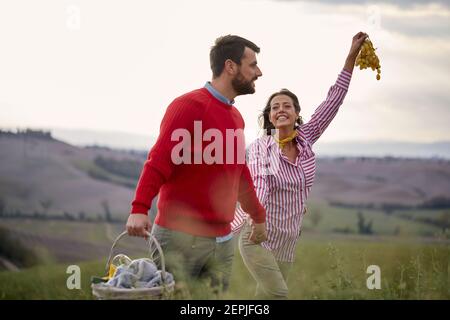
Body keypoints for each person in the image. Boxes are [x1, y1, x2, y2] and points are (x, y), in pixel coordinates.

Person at [126, 35, 268, 296]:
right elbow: (159, 160)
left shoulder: (236, 117)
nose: (259, 72)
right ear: (230, 66)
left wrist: (258, 216)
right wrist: (139, 208)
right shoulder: (188, 106)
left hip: (223, 242)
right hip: (181, 240)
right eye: (253, 65)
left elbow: (239, 174)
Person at [231, 32, 369, 299]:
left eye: (287, 106)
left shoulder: (306, 140)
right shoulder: (263, 147)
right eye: (274, 108)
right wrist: (256, 220)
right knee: (279, 295)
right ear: (270, 117)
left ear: (296, 114)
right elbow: (259, 186)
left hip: (287, 242)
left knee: (265, 298)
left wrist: (350, 58)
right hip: (257, 237)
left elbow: (334, 100)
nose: (280, 110)